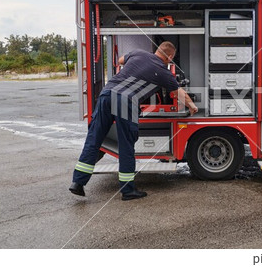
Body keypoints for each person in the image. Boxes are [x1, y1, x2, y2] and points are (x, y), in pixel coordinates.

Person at [69, 41, 198, 201]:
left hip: (106, 95)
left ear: (157, 51)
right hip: (125, 100)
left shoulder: (138, 53)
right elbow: (181, 94)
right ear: (170, 57)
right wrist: (192, 107)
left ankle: (77, 183)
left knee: (94, 139)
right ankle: (127, 190)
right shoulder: (164, 73)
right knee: (126, 144)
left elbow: (121, 61)